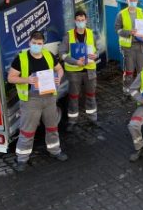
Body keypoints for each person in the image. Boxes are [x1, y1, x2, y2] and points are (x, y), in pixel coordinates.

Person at [7, 31, 68, 172]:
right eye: (34, 43)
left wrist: (59, 76)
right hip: (31, 100)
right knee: (27, 131)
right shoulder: (21, 58)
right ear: (29, 43)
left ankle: (55, 151)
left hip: (49, 98)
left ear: (43, 44)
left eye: (39, 44)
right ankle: (22, 159)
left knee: (52, 127)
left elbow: (59, 69)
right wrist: (26, 79)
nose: (36, 46)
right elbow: (11, 78)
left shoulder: (48, 55)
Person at [60, 10, 100, 131]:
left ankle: (93, 119)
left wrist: (96, 55)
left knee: (91, 95)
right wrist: (75, 61)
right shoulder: (68, 36)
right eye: (78, 20)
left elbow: (97, 49)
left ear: (86, 20)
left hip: (89, 70)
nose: (80, 22)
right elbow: (61, 54)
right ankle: (72, 121)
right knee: (73, 96)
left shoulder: (91, 34)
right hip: (74, 71)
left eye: (82, 20)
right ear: (74, 21)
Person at [115, 0, 143, 95]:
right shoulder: (121, 14)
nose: (133, 2)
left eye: (135, 0)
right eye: (131, 0)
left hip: (140, 46)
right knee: (129, 71)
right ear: (127, 1)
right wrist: (128, 32)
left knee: (142, 70)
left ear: (137, 1)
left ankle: (141, 88)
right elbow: (117, 29)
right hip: (128, 47)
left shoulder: (142, 12)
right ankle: (127, 88)